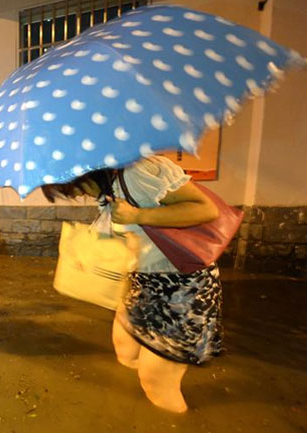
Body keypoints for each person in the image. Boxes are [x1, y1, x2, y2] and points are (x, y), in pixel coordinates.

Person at [42, 155, 221, 413]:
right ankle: (137, 410)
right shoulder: (109, 186)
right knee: (126, 353)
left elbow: (206, 209)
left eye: (75, 188)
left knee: (155, 382)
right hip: (142, 278)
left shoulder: (139, 171)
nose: (79, 195)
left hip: (182, 285)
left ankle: (171, 413)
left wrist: (138, 214)